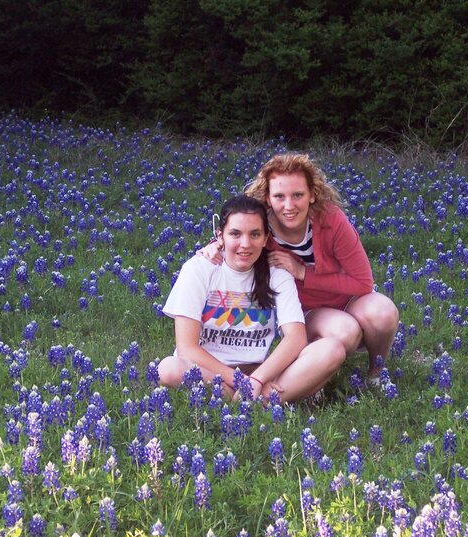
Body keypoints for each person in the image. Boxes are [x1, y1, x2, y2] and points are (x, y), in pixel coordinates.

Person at [199, 153, 399, 385]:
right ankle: (313, 381)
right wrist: (217, 245)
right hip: (305, 311)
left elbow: (363, 283)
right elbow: (238, 235)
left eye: (298, 195)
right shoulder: (261, 229)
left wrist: (303, 273)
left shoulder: (332, 220)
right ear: (268, 198)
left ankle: (376, 373)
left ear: (312, 195)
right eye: (279, 196)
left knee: (383, 312)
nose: (289, 205)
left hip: (349, 299)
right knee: (346, 331)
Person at [158, 195, 343, 402]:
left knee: (332, 349)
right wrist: (241, 382)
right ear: (220, 236)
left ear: (265, 238)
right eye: (235, 234)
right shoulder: (198, 269)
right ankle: (261, 400)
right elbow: (187, 348)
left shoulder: (277, 273)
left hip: (258, 370)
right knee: (168, 369)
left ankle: (240, 400)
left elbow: (296, 337)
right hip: (207, 370)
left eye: (255, 234)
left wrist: (257, 378)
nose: (245, 244)